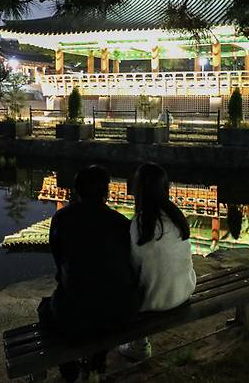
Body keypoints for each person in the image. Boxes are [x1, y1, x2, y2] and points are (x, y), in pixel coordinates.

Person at [38, 165, 139, 382]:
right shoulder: (120, 222)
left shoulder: (62, 219)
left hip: (78, 313)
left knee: (46, 310)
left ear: (76, 190)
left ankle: (68, 367)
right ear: (107, 192)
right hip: (120, 312)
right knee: (105, 293)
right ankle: (98, 359)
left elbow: (59, 261)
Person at [119, 162, 196, 361]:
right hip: (184, 290)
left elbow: (135, 267)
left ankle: (139, 344)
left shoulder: (141, 224)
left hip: (156, 301)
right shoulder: (177, 217)